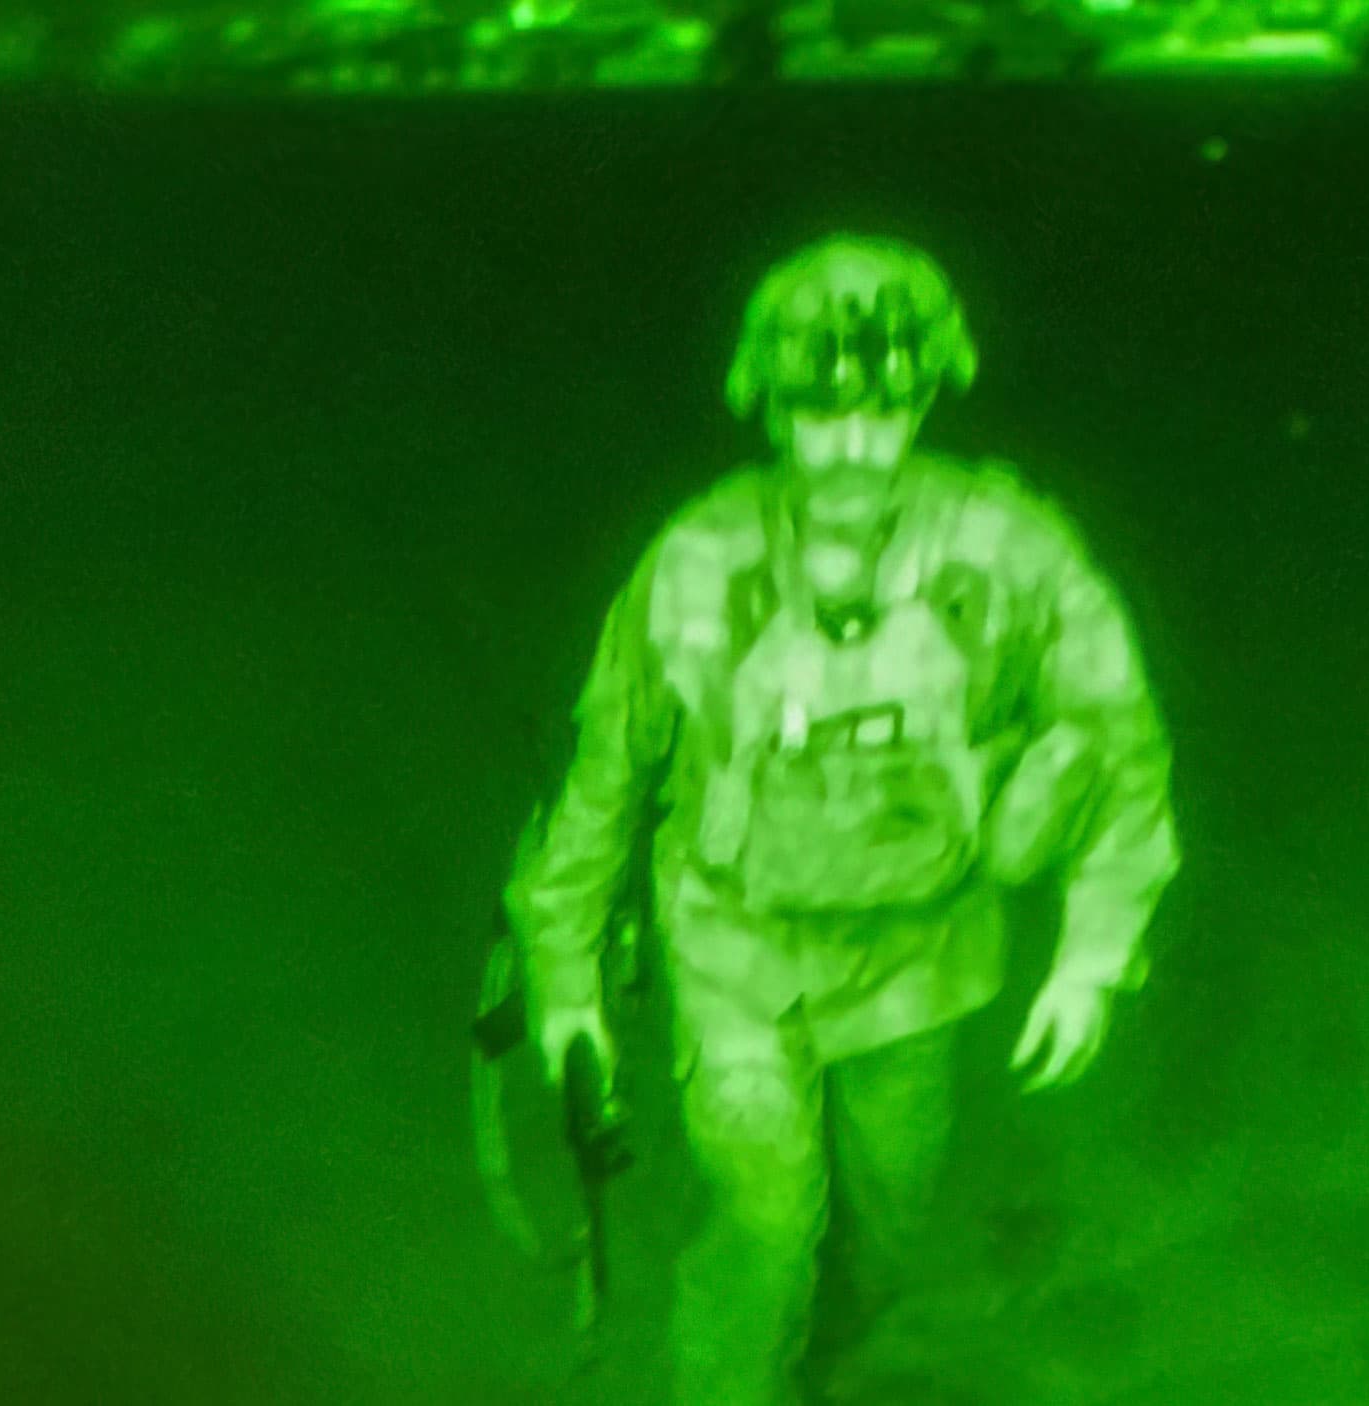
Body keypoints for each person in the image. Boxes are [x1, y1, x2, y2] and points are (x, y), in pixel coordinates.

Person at [502, 233, 1181, 1406]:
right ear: (770, 411)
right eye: (822, 414)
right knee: (765, 1219)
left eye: (885, 410)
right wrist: (564, 980)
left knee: (883, 1235)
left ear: (925, 399)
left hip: (920, 958)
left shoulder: (1009, 550)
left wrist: (1095, 950)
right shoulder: (698, 557)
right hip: (737, 944)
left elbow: (1118, 740)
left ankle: (817, 1366)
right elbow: (607, 771)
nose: (856, 445)